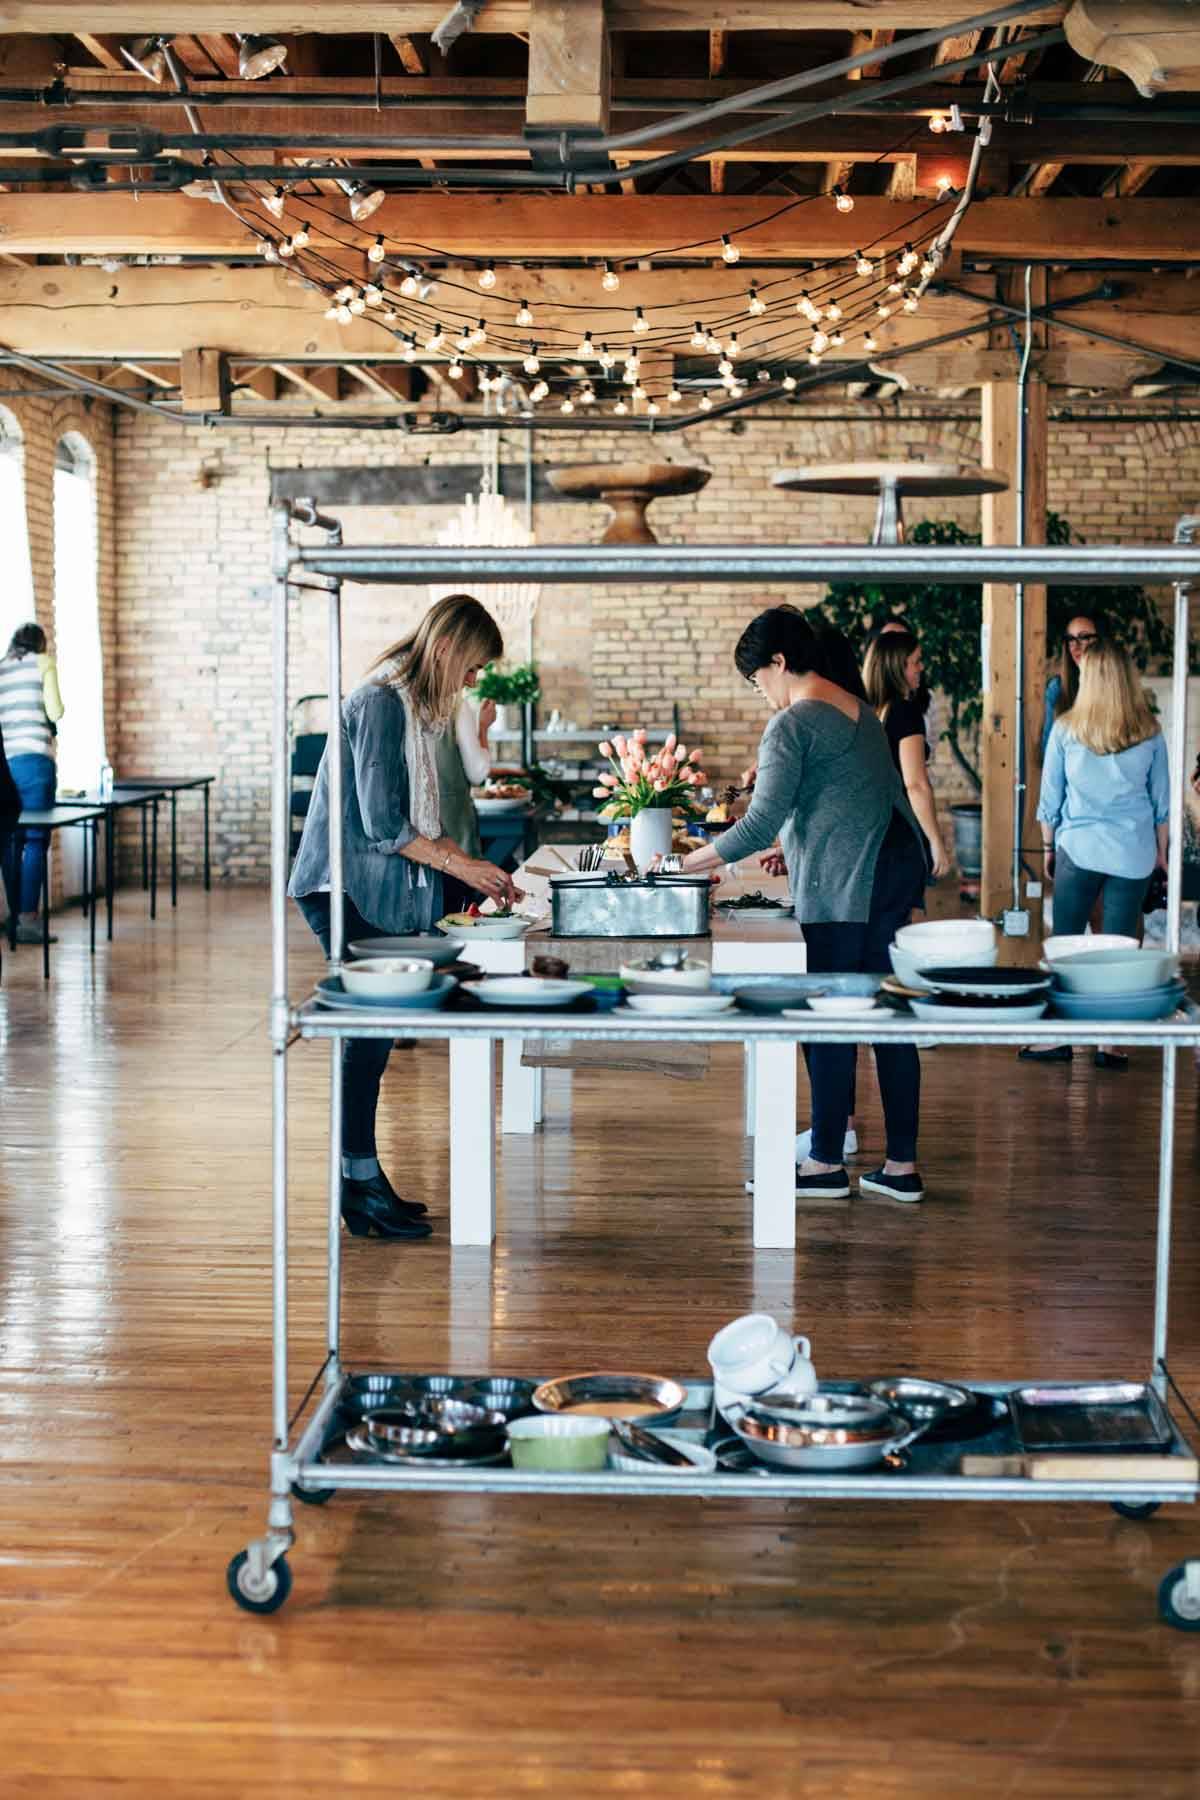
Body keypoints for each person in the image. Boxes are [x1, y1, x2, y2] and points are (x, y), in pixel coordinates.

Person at [289, 594, 519, 1241]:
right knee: (369, 1037)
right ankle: (359, 1186)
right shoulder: (379, 703)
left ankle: (363, 1182)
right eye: (471, 669)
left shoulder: (412, 706)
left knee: (378, 1036)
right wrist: (463, 868)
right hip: (344, 887)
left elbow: (417, 825)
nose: (472, 684)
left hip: (372, 885)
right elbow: (384, 823)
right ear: (445, 649)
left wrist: (468, 869)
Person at [683, 606, 929, 1205]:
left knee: (828, 1017)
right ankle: (900, 1168)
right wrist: (795, 851)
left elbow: (762, 818)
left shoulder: (793, 723)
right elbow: (845, 800)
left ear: (781, 663)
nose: (760, 692)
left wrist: (684, 864)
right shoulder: (858, 709)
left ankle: (823, 1163)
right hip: (892, 868)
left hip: (852, 883)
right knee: (888, 1018)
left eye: (757, 678)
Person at [1024, 639, 1169, 1072]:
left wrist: (1049, 848)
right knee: (1122, 949)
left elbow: (1050, 799)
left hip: (1078, 851)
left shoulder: (1067, 729)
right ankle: (1112, 1043)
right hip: (1133, 854)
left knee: (1066, 944)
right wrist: (1160, 857)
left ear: (1089, 679)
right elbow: (1161, 804)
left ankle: (1058, 1039)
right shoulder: (1150, 731)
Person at [862, 629, 952, 879]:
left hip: (874, 832)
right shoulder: (905, 712)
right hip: (901, 833)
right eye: (916, 662)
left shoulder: (870, 711)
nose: (921, 668)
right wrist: (935, 841)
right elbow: (916, 785)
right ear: (898, 667)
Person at [0, 622, 64, 943]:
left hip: (6, 762)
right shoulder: (43, 663)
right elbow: (56, 709)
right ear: (40, 644)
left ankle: (13, 917)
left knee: (11, 840)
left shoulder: (2, 670)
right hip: (36, 761)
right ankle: (28, 919)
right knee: (36, 841)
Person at [436, 689, 497, 915]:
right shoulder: (457, 705)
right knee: (457, 915)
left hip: (421, 837)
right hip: (454, 829)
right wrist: (483, 727)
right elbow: (478, 772)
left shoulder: (415, 700)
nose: (473, 681)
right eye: (472, 669)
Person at [1042, 612, 1102, 758]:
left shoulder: (1114, 687)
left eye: (1084, 637)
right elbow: (1047, 751)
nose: (1075, 646)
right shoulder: (1057, 688)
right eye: (1070, 639)